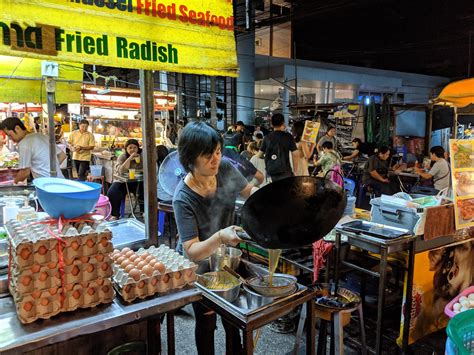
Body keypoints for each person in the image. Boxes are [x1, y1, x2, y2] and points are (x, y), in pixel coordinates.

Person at [172, 122, 256, 355]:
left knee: (233, 318)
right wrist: (220, 236)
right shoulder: (183, 198)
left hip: (226, 259)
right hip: (198, 265)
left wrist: (268, 201)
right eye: (208, 155)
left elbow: (250, 192)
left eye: (218, 152)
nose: (215, 159)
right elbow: (192, 250)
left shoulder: (226, 169)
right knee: (207, 320)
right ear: (190, 158)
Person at [0, 117, 65, 183]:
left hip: (47, 185)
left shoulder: (24, 143)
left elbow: (25, 172)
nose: (10, 138)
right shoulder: (41, 136)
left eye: (10, 135)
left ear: (17, 128)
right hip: (60, 181)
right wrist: (50, 169)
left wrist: (13, 184)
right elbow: (62, 155)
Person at [256, 113, 299, 182]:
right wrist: (295, 171)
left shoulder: (267, 137)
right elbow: (295, 154)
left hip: (271, 173)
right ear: (283, 123)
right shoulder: (288, 137)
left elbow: (259, 155)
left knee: (273, 192)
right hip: (286, 172)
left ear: (272, 125)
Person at [107, 139, 143, 219]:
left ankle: (144, 212)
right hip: (122, 181)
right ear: (126, 149)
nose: (132, 150)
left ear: (138, 148)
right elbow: (121, 171)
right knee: (113, 192)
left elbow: (147, 169)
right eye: (130, 148)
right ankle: (115, 214)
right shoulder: (122, 157)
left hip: (138, 181)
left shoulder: (142, 156)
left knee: (144, 190)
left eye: (135, 147)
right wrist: (130, 158)